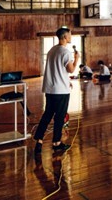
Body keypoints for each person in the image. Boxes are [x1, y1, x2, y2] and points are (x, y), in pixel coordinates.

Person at [34, 26, 79, 154]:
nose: (71, 37)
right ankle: (56, 143)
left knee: (47, 115)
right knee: (59, 117)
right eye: (70, 35)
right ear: (65, 37)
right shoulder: (65, 52)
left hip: (50, 89)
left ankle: (39, 140)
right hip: (61, 91)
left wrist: (66, 80)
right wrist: (76, 59)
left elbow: (57, 70)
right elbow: (71, 69)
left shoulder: (52, 50)